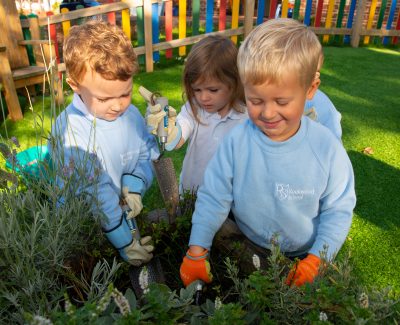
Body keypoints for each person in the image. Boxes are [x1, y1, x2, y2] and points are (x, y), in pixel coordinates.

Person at [179, 19, 356, 288]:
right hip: (244, 242)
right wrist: (197, 249)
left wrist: (318, 259)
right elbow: (214, 196)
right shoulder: (236, 141)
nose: (268, 113)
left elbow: (338, 209)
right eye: (255, 100)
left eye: (282, 101)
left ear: (310, 89)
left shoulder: (327, 148)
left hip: (304, 254)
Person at [48, 21, 159, 267]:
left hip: (118, 214)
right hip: (83, 224)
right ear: (75, 86)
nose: (117, 105)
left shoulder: (130, 116)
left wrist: (135, 186)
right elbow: (95, 194)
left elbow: (148, 154)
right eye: (104, 98)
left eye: (125, 93)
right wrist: (124, 242)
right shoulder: (71, 131)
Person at [141, 35, 248, 194]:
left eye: (213, 90)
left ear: (233, 83)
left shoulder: (246, 118)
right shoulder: (193, 109)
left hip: (229, 200)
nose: (203, 97)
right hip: (192, 196)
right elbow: (174, 142)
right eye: (197, 89)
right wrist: (166, 127)